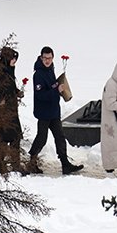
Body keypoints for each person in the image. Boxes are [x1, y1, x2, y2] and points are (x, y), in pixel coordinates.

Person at [28, 46, 82, 175]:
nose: (47, 60)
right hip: (43, 113)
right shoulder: (38, 74)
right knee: (42, 138)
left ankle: (65, 164)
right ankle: (31, 162)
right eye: (45, 58)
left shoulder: (50, 70)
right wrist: (55, 90)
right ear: (41, 58)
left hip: (54, 111)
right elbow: (40, 95)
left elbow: (52, 87)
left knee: (60, 137)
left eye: (50, 58)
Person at [0, 46, 24, 173]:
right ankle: (0, 164)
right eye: (13, 59)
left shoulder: (9, 70)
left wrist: (16, 92)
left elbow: (10, 86)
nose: (14, 61)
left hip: (11, 108)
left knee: (15, 136)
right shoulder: (1, 70)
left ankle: (13, 164)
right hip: (3, 110)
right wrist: (1, 99)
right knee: (4, 138)